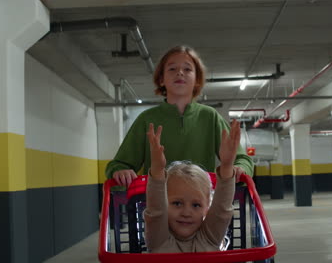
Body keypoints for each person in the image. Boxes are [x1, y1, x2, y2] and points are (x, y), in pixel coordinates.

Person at [105, 45, 253, 186]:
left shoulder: (210, 117)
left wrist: (240, 167)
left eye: (187, 69)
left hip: (200, 205)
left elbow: (242, 159)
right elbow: (118, 164)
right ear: (161, 79)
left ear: (197, 80)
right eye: (172, 68)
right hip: (158, 204)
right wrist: (120, 171)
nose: (180, 72)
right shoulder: (147, 119)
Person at [143, 119, 240, 252]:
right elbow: (156, 212)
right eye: (177, 203)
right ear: (164, 203)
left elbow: (221, 210)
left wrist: (227, 165)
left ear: (207, 207)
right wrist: (157, 170)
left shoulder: (210, 237)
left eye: (196, 205)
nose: (186, 213)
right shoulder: (159, 239)